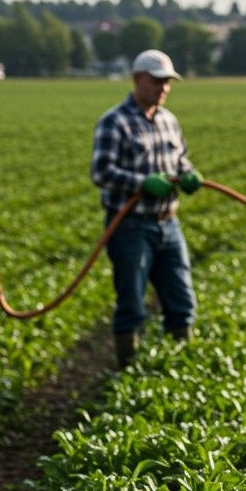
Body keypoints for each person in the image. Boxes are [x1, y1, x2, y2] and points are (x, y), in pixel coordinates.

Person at [90, 49, 204, 368]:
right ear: (137, 79)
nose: (163, 89)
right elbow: (101, 172)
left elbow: (180, 160)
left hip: (169, 224)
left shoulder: (169, 121)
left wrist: (189, 174)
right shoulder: (115, 122)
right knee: (131, 305)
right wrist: (142, 183)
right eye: (156, 82)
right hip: (130, 228)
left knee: (181, 302)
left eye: (167, 83)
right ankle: (127, 369)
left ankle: (181, 367)